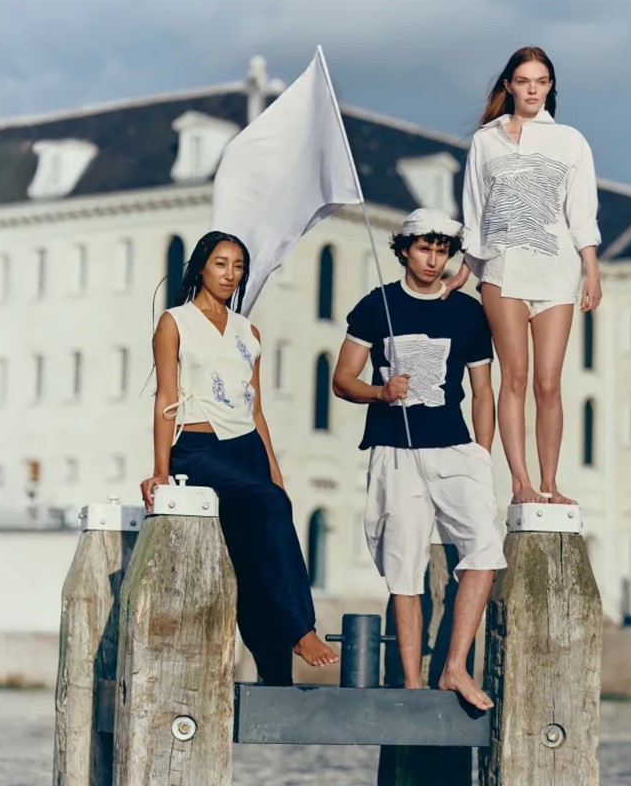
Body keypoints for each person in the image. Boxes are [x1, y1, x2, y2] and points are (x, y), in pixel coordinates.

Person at [140, 230, 338, 684]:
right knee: (269, 505)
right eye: (220, 264)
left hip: (246, 448)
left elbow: (256, 410)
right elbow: (165, 398)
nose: (230, 274)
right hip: (198, 449)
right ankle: (302, 629)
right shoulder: (175, 322)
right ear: (201, 267)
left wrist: (275, 472)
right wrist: (160, 471)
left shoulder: (249, 332)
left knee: (254, 563)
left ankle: (276, 679)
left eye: (238, 267)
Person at [332, 208, 507, 710]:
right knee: (403, 567)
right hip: (394, 451)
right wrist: (381, 393)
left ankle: (454, 668)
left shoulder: (468, 312)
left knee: (485, 551)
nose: (433, 260)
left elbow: (482, 391)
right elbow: (342, 380)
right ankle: (411, 685)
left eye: (441, 251)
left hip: (455, 449)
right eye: (424, 249)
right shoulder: (377, 306)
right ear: (405, 249)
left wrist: (482, 453)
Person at [444, 46, 603, 506]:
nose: (533, 90)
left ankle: (550, 485)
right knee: (513, 377)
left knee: (548, 383)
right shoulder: (485, 141)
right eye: (524, 81)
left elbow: (581, 212)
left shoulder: (570, 141)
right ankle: (521, 483)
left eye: (541, 82)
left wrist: (591, 269)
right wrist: (466, 267)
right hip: (502, 270)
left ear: (550, 87)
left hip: (556, 272)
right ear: (509, 86)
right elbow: (475, 212)